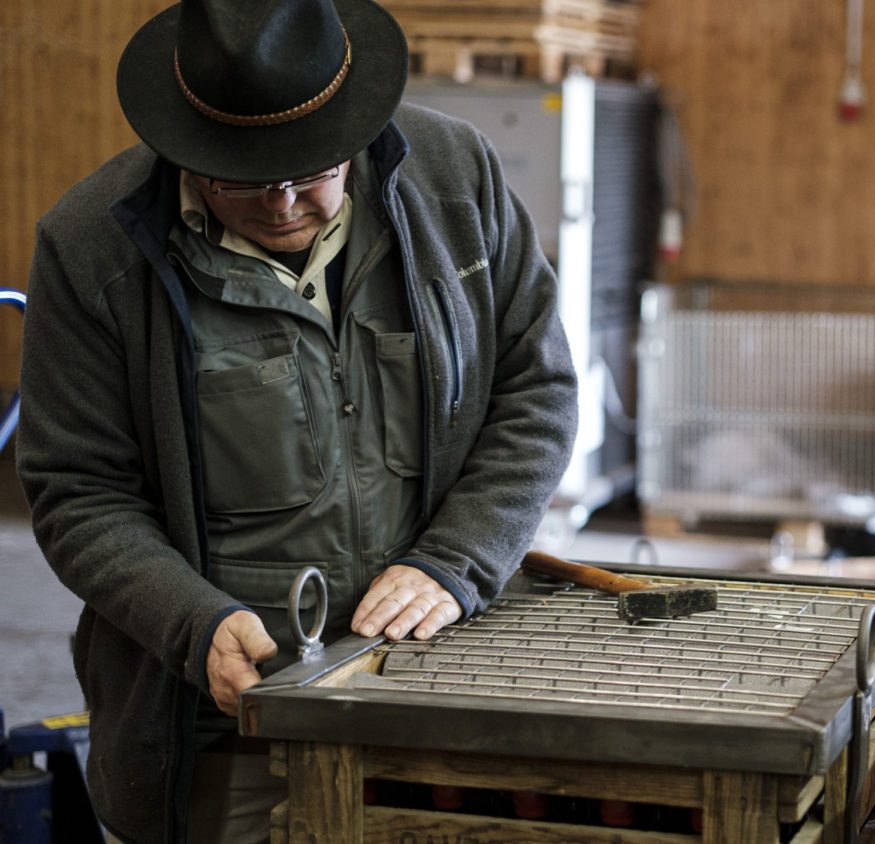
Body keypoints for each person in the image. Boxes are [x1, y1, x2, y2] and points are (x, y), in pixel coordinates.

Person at [17, 0, 579, 840]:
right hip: (231, 734)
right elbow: (77, 492)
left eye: (309, 175)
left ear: (352, 136)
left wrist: (459, 560)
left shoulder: (455, 179)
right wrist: (190, 622)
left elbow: (536, 390)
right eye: (240, 178)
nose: (281, 206)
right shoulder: (92, 248)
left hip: (441, 690)